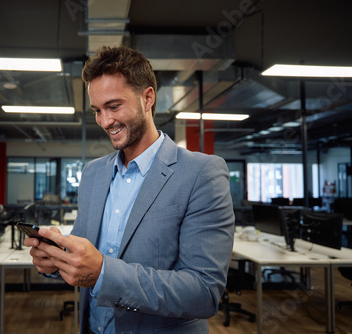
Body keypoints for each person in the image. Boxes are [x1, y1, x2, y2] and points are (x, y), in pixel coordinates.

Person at [24, 45, 235, 334]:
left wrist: (103, 273)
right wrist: (56, 261)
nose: (104, 121)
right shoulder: (93, 173)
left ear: (147, 98)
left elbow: (204, 292)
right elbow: (85, 260)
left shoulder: (202, 173)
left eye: (113, 106)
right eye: (97, 110)